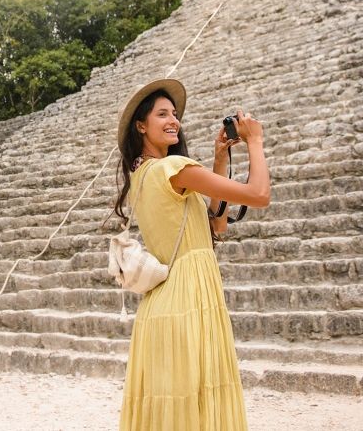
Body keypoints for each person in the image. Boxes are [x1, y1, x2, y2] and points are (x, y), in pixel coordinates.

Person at [115, 78, 270, 431]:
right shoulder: (175, 168)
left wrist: (219, 158)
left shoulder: (140, 174)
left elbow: (217, 227)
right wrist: (255, 141)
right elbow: (259, 195)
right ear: (141, 125)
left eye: (174, 114)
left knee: (174, 411)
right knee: (199, 407)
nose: (173, 121)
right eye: (162, 114)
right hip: (190, 295)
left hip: (162, 304)